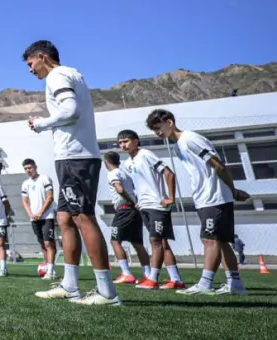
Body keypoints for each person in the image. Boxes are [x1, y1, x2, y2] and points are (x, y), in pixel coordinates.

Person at [24, 40, 120, 305]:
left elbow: (71, 110)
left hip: (76, 157)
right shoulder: (71, 74)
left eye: (31, 64)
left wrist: (41, 123)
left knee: (83, 218)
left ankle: (107, 293)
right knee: (65, 218)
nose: (31, 71)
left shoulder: (57, 76)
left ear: (42, 57)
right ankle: (70, 285)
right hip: (70, 158)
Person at [146, 109, 249, 296]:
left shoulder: (190, 139)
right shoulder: (177, 146)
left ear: (169, 122)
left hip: (214, 197)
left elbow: (218, 165)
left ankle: (205, 283)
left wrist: (233, 191)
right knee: (222, 241)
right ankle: (236, 284)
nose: (157, 133)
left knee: (209, 239)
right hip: (204, 198)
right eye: (154, 130)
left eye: (158, 128)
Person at [117, 130, 184, 289]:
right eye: (120, 143)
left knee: (155, 241)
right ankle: (176, 280)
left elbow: (169, 173)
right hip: (145, 206)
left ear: (136, 141)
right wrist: (139, 200)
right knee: (162, 241)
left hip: (157, 205)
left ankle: (152, 279)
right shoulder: (127, 163)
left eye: (126, 141)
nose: (123, 145)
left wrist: (170, 198)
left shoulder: (146, 154)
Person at [102, 151, 151, 285]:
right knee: (137, 243)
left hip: (124, 209)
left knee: (115, 241)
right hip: (134, 211)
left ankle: (126, 273)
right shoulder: (125, 173)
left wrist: (130, 200)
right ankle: (148, 275)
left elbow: (119, 189)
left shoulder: (112, 173)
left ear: (106, 162)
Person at [21, 158, 57, 279]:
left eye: (30, 168)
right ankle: (49, 268)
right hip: (34, 218)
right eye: (26, 168)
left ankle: (51, 271)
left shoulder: (45, 179)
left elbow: (50, 197)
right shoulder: (25, 183)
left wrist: (41, 212)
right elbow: (25, 201)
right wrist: (31, 214)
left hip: (47, 216)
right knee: (42, 244)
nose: (28, 170)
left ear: (35, 167)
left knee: (49, 243)